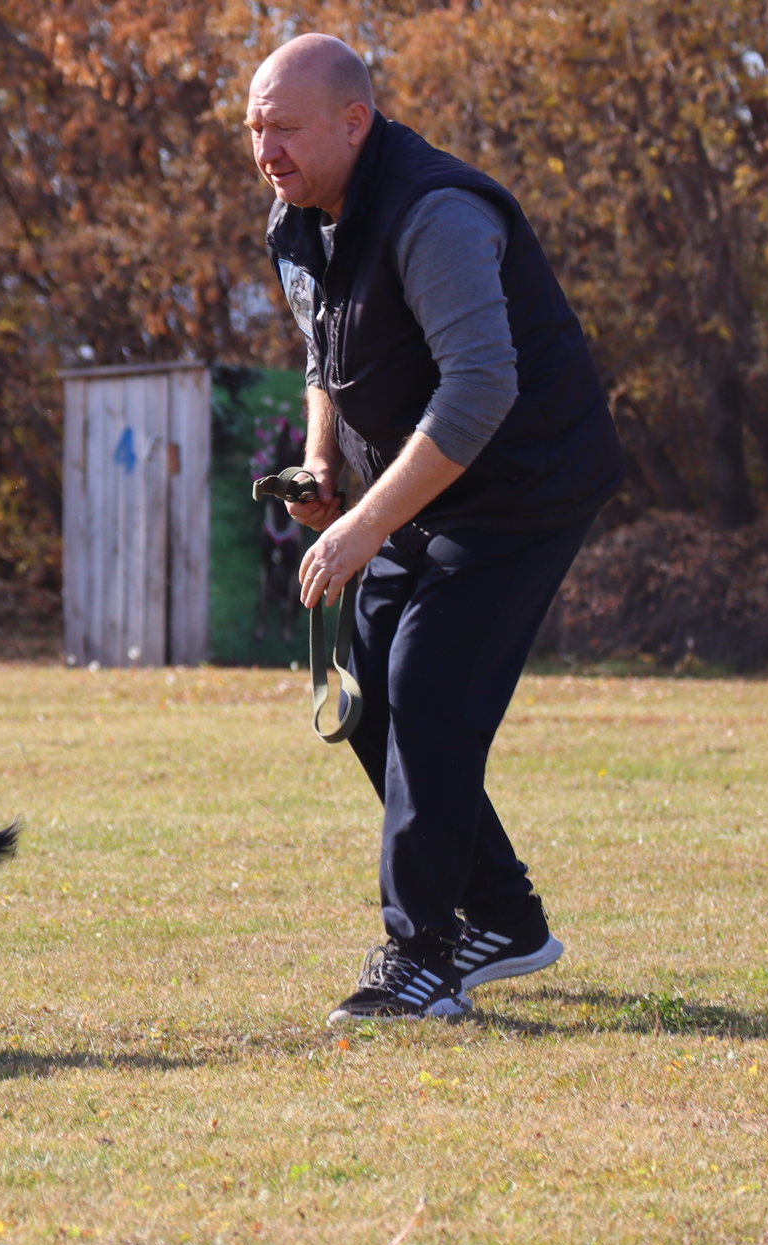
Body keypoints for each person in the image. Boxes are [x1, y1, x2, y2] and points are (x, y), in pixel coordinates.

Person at [243, 34, 623, 1023]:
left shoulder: (434, 215)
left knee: (427, 682)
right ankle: (501, 917)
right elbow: (324, 358)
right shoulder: (297, 217)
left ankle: (421, 957)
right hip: (432, 484)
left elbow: (479, 385)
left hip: (525, 481)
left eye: (284, 128)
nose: (265, 151)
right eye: (253, 130)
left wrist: (363, 524)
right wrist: (322, 466)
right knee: (363, 693)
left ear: (353, 123)